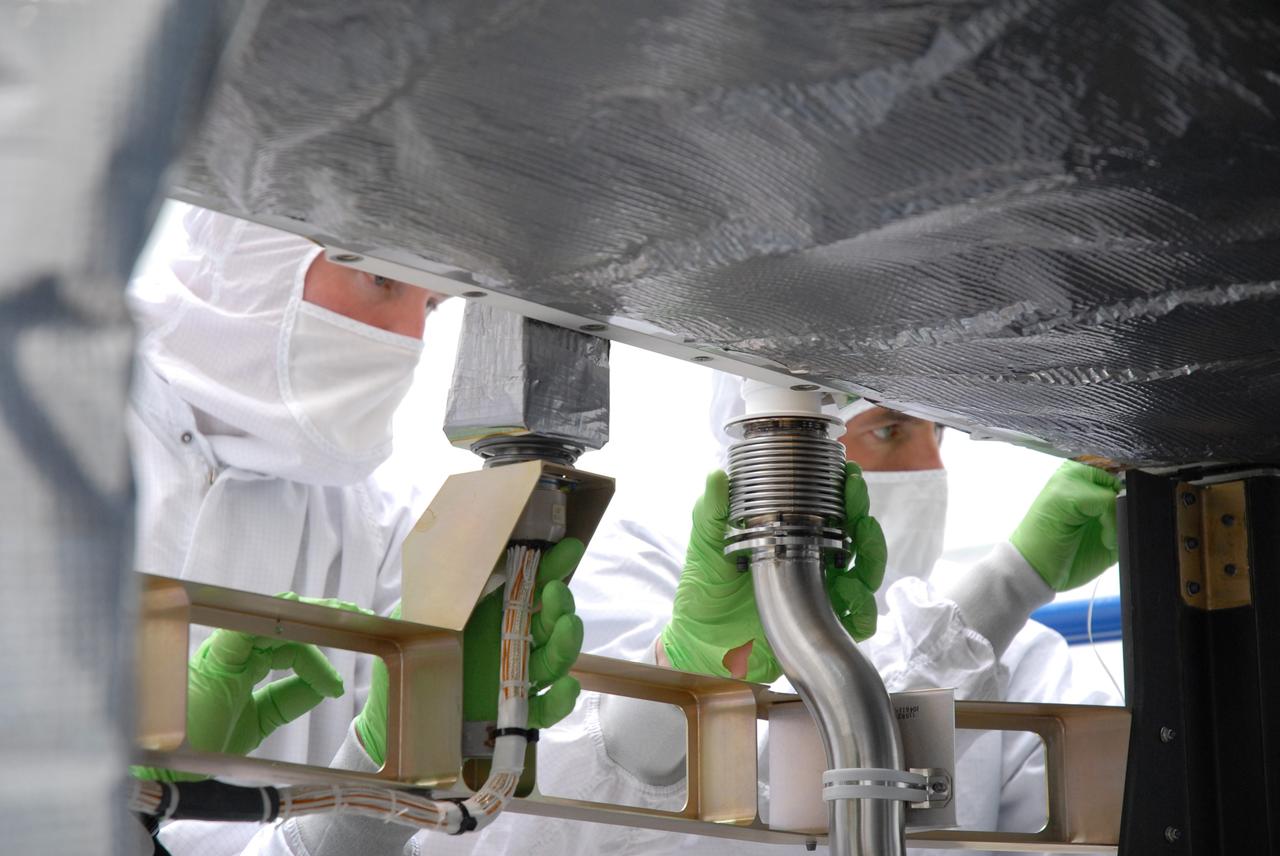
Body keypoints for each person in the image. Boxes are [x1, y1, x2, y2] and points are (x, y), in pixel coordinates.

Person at [419, 372, 1121, 856]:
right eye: (889, 431)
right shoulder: (636, 580)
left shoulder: (1025, 658)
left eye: (938, 433)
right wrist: (686, 674)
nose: (927, 466)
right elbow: (558, 832)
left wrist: (1013, 588)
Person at [126, 207, 586, 854]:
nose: (407, 339)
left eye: (431, 307)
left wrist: (394, 759)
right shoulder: (32, 448)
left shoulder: (386, 531)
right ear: (257, 248)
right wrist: (119, 799)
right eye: (379, 279)